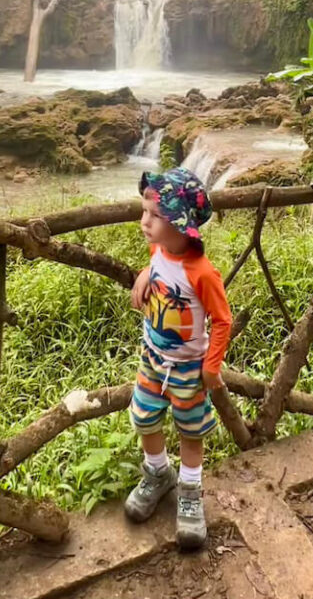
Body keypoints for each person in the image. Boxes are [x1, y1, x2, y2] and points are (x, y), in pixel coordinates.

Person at [125, 167, 232, 549]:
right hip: (152, 358)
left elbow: (222, 320)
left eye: (154, 215)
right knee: (144, 416)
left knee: (190, 430)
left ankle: (189, 489)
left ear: (180, 223)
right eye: (144, 211)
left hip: (188, 368)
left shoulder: (202, 273)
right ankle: (158, 473)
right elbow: (157, 263)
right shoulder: (159, 249)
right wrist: (143, 273)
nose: (144, 222)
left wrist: (212, 366)